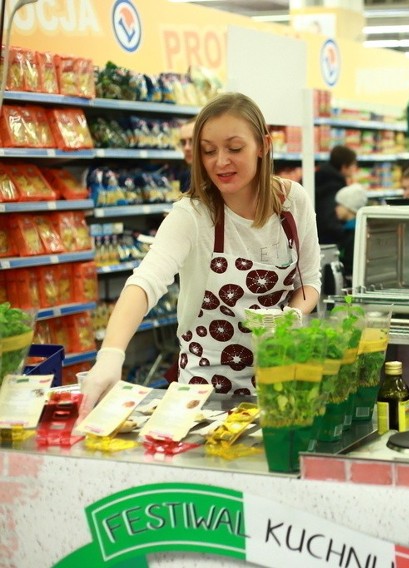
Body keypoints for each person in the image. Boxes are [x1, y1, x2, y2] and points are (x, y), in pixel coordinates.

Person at [80, 93, 321, 415]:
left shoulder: (293, 203)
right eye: (208, 151)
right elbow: (146, 282)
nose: (220, 161)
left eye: (234, 149)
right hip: (206, 394)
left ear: (263, 145)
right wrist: (111, 355)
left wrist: (292, 316)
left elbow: (310, 281)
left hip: (281, 383)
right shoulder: (192, 215)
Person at [315, 145, 358, 245]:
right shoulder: (332, 185)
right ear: (344, 166)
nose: (355, 168)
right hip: (324, 241)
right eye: (353, 164)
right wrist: (347, 238)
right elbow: (329, 219)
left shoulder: (320, 176)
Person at [334, 183, 368, 282]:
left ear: (348, 206)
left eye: (339, 205)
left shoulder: (353, 234)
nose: (336, 208)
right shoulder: (352, 230)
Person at [177, 118, 195, 192]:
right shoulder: (186, 177)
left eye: (192, 141)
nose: (186, 148)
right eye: (183, 142)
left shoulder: (218, 177)